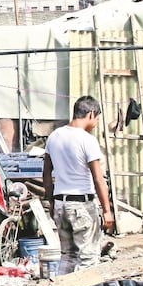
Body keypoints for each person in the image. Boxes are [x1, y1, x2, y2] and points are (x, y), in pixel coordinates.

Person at [42, 95, 113, 274]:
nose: (96, 122)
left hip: (60, 204)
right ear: (90, 114)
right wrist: (107, 210)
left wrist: (51, 202)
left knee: (67, 255)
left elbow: (46, 174)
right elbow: (98, 179)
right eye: (96, 118)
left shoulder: (54, 137)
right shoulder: (87, 139)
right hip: (81, 205)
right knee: (88, 258)